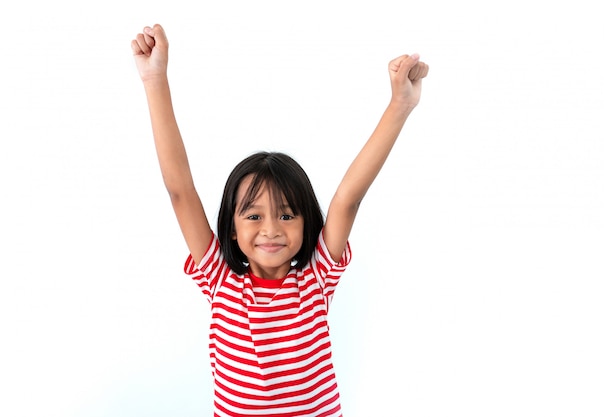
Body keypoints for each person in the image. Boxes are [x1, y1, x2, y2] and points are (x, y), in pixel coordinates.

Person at [131, 23, 428, 417]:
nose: (271, 229)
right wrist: (155, 79)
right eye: (253, 215)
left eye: (287, 214)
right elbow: (180, 190)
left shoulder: (316, 276)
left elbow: (348, 199)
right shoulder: (220, 279)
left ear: (306, 225)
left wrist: (400, 105)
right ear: (232, 231)